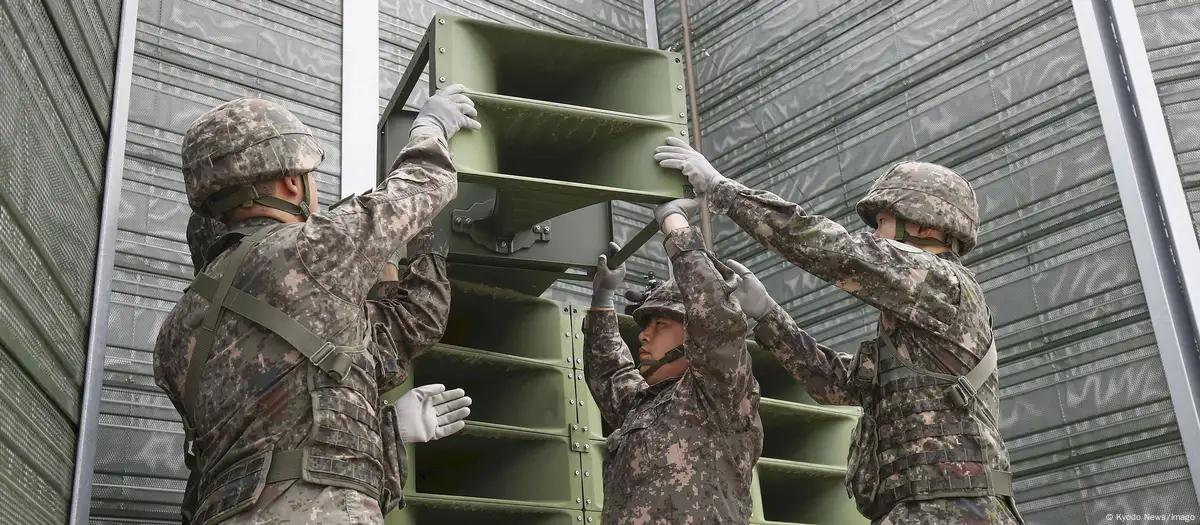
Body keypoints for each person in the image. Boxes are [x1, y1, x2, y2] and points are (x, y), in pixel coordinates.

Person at [153, 84, 479, 525]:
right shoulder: (312, 249)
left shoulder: (173, 334)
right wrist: (431, 126)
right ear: (292, 180)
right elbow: (424, 185)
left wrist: (386, 429)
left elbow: (249, 448)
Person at [656, 139, 1021, 524]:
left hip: (952, 509)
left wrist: (721, 189)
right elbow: (837, 385)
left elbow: (834, 250)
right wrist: (767, 315)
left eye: (881, 223)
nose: (876, 237)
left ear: (921, 223)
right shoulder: (918, 317)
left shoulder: (941, 281)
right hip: (925, 510)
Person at [181, 213, 471, 520]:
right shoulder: (308, 310)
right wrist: (423, 233)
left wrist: (390, 429)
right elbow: (416, 320)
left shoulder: (184, 340)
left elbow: (256, 453)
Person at [584, 198, 763, 524]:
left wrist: (674, 222)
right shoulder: (645, 405)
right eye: (646, 326)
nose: (643, 336)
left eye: (660, 325)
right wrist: (603, 298)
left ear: (694, 337)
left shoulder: (717, 396)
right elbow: (608, 371)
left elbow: (714, 314)